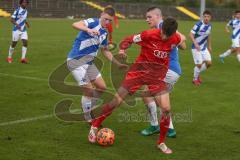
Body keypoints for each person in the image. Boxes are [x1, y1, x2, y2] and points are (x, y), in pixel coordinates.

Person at [88, 17, 186, 154]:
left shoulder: (175, 38)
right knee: (117, 101)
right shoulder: (149, 34)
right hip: (138, 73)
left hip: (157, 78)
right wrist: (122, 50)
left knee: (166, 108)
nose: (164, 37)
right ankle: (95, 125)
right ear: (161, 29)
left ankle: (161, 142)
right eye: (163, 33)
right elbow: (128, 39)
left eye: (167, 35)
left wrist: (182, 41)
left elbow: (182, 45)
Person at [67, 7, 127, 123]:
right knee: (88, 90)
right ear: (101, 15)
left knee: (102, 87)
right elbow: (75, 24)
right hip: (76, 60)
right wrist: (87, 30)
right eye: (106, 19)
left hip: (89, 63)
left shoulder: (105, 32)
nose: (107, 22)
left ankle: (88, 106)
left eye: (110, 20)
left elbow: (105, 50)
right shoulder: (92, 22)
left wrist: (117, 64)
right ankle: (88, 116)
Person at [140, 7, 181, 138]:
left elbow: (182, 38)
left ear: (158, 16)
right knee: (150, 92)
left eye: (149, 17)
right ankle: (167, 128)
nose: (147, 20)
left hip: (168, 69)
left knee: (150, 93)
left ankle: (158, 126)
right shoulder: (164, 28)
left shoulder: (163, 26)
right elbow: (183, 43)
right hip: (173, 70)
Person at [190, 10, 212, 86]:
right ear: (203, 17)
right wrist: (195, 43)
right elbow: (191, 34)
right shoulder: (198, 25)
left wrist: (209, 46)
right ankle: (195, 79)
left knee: (209, 63)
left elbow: (208, 35)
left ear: (210, 18)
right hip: (196, 48)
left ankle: (197, 72)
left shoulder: (209, 25)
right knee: (199, 65)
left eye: (208, 17)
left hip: (204, 47)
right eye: (205, 16)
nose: (206, 18)